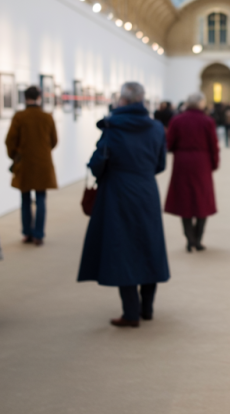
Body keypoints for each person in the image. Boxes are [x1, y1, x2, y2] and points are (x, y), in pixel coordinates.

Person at [77, 82, 169, 328]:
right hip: (147, 190)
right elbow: (161, 164)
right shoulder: (157, 127)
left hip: (118, 191)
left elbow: (97, 163)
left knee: (123, 248)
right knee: (149, 246)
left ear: (123, 101)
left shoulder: (112, 126)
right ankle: (147, 308)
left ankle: (131, 313)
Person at [164, 92, 219, 252]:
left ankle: (190, 239)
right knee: (202, 200)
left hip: (182, 162)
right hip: (202, 163)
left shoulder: (177, 120)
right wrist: (214, 164)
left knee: (184, 201)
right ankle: (198, 239)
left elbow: (169, 144)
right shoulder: (207, 121)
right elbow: (213, 146)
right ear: (202, 104)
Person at [5, 86, 58, 246]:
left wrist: (15, 155)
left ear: (25, 97)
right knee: (41, 198)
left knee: (25, 198)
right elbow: (54, 140)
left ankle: (27, 232)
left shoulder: (20, 117)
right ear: (39, 97)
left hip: (25, 163)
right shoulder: (47, 117)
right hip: (43, 163)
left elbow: (10, 140)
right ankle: (39, 234)